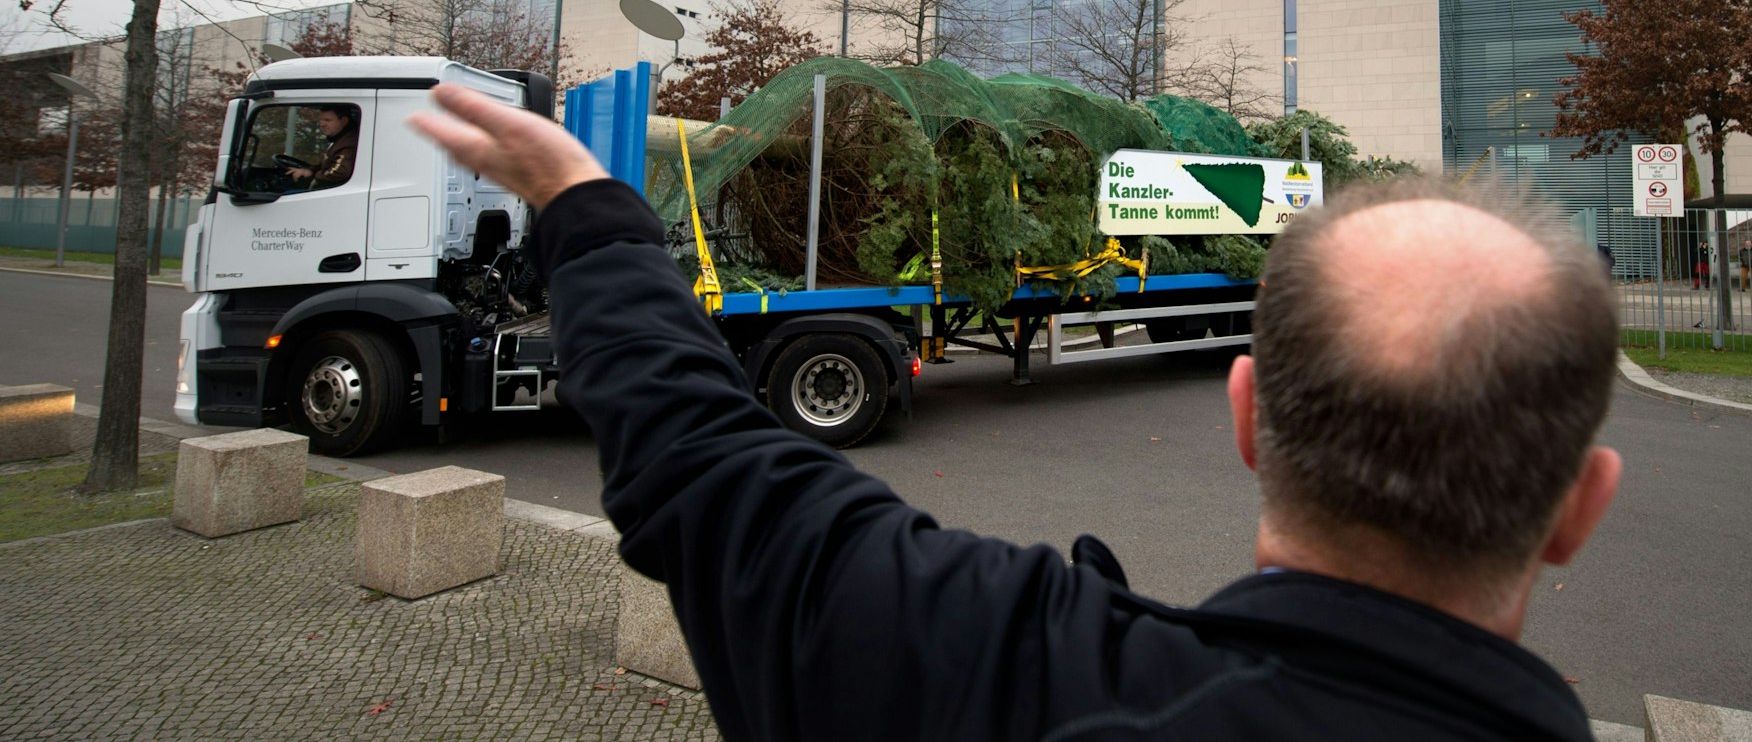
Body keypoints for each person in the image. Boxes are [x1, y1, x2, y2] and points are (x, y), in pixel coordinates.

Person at [410, 84, 1624, 742]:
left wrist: (581, 206)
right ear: (1579, 506)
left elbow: (710, 475)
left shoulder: (1004, 662)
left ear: (1247, 414)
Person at [286, 106, 360, 190]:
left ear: (343, 121)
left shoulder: (349, 143)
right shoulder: (339, 139)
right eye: (321, 120)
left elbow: (340, 172)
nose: (322, 124)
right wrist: (309, 171)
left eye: (328, 120)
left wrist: (316, 178)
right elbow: (326, 164)